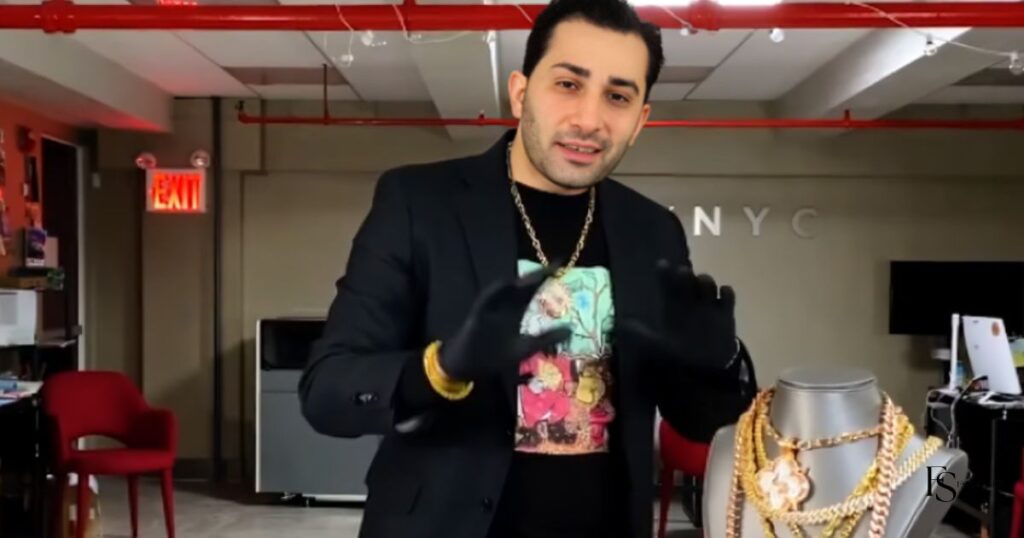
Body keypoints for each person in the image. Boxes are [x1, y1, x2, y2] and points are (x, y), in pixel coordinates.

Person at [298, 1, 756, 537]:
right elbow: (327, 391)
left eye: (617, 96)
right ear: (520, 92)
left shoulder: (653, 230)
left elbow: (698, 421)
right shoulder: (419, 202)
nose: (589, 119)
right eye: (568, 84)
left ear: (639, 121)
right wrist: (440, 369)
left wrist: (717, 366)